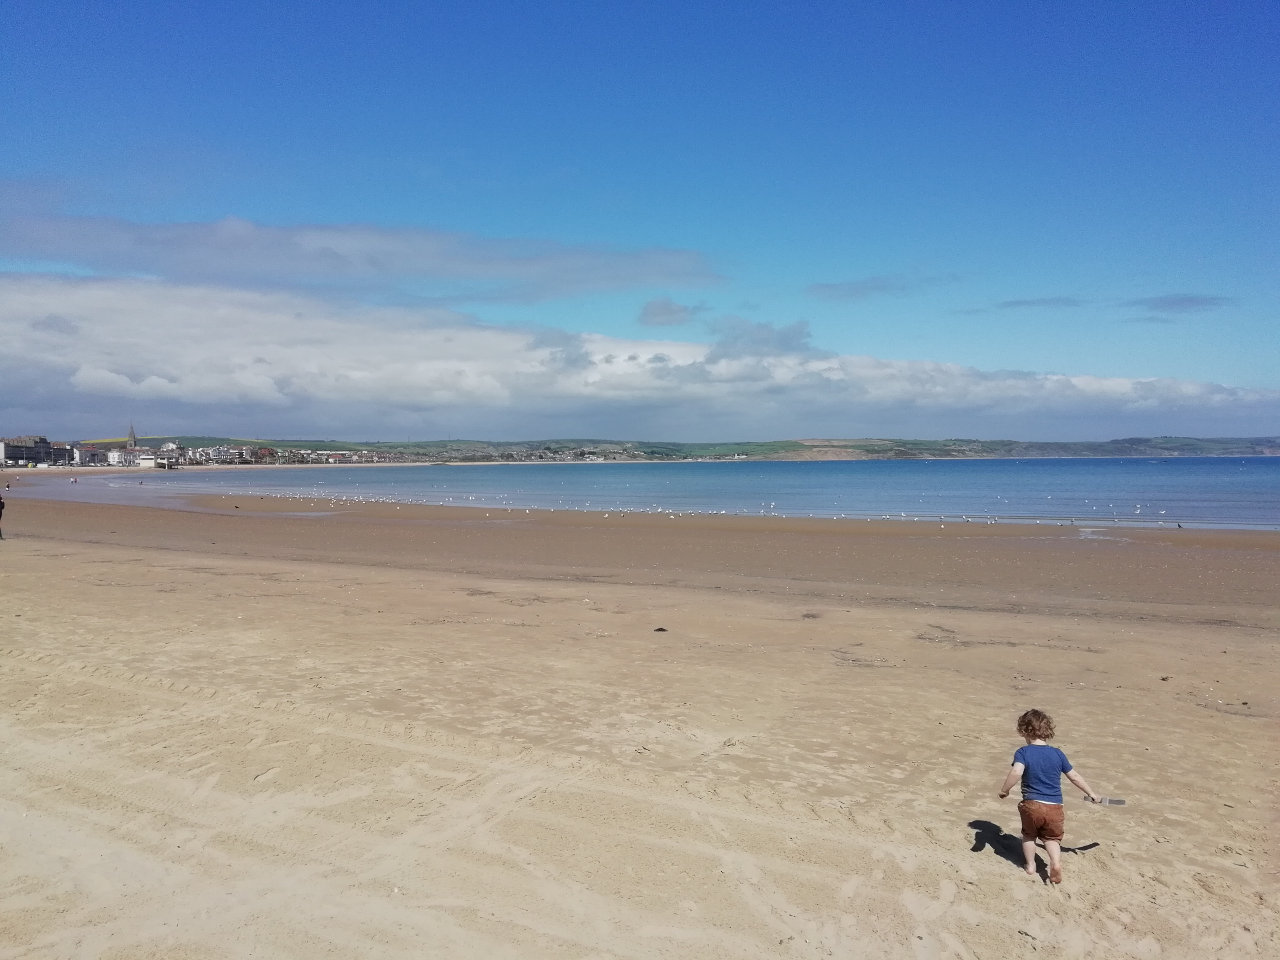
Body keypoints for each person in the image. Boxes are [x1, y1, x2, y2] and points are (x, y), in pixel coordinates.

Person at [998, 708, 1101, 883]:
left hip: (1032, 805)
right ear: (1047, 731)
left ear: (1024, 731)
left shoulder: (1023, 752)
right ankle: (1055, 862)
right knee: (1052, 838)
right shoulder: (1057, 754)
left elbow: (1016, 772)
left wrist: (1005, 790)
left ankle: (1031, 866)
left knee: (1029, 835)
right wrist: (1091, 793)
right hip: (1054, 806)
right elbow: (1074, 777)